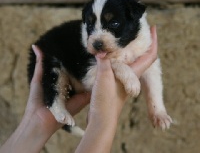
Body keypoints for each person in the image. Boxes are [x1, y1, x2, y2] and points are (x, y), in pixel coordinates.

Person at [0, 26, 158, 153]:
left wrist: (37, 123)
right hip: (64, 61)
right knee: (54, 78)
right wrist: (103, 121)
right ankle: (56, 105)